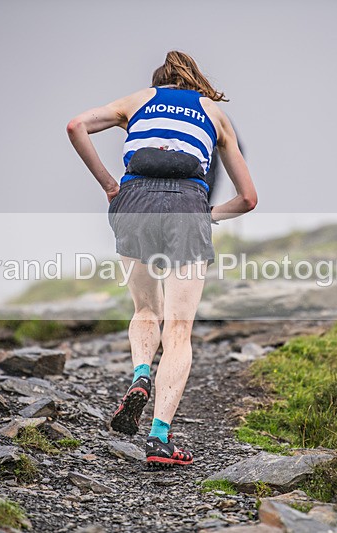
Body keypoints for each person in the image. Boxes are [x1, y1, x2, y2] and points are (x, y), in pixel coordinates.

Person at [66, 51, 257, 467]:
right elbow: (248, 199)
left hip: (133, 202)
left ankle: (139, 375)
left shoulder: (137, 101)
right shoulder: (214, 114)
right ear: (196, 83)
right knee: (180, 328)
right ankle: (159, 440)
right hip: (187, 206)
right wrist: (208, 216)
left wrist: (109, 186)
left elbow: (75, 125)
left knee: (145, 310)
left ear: (160, 82)